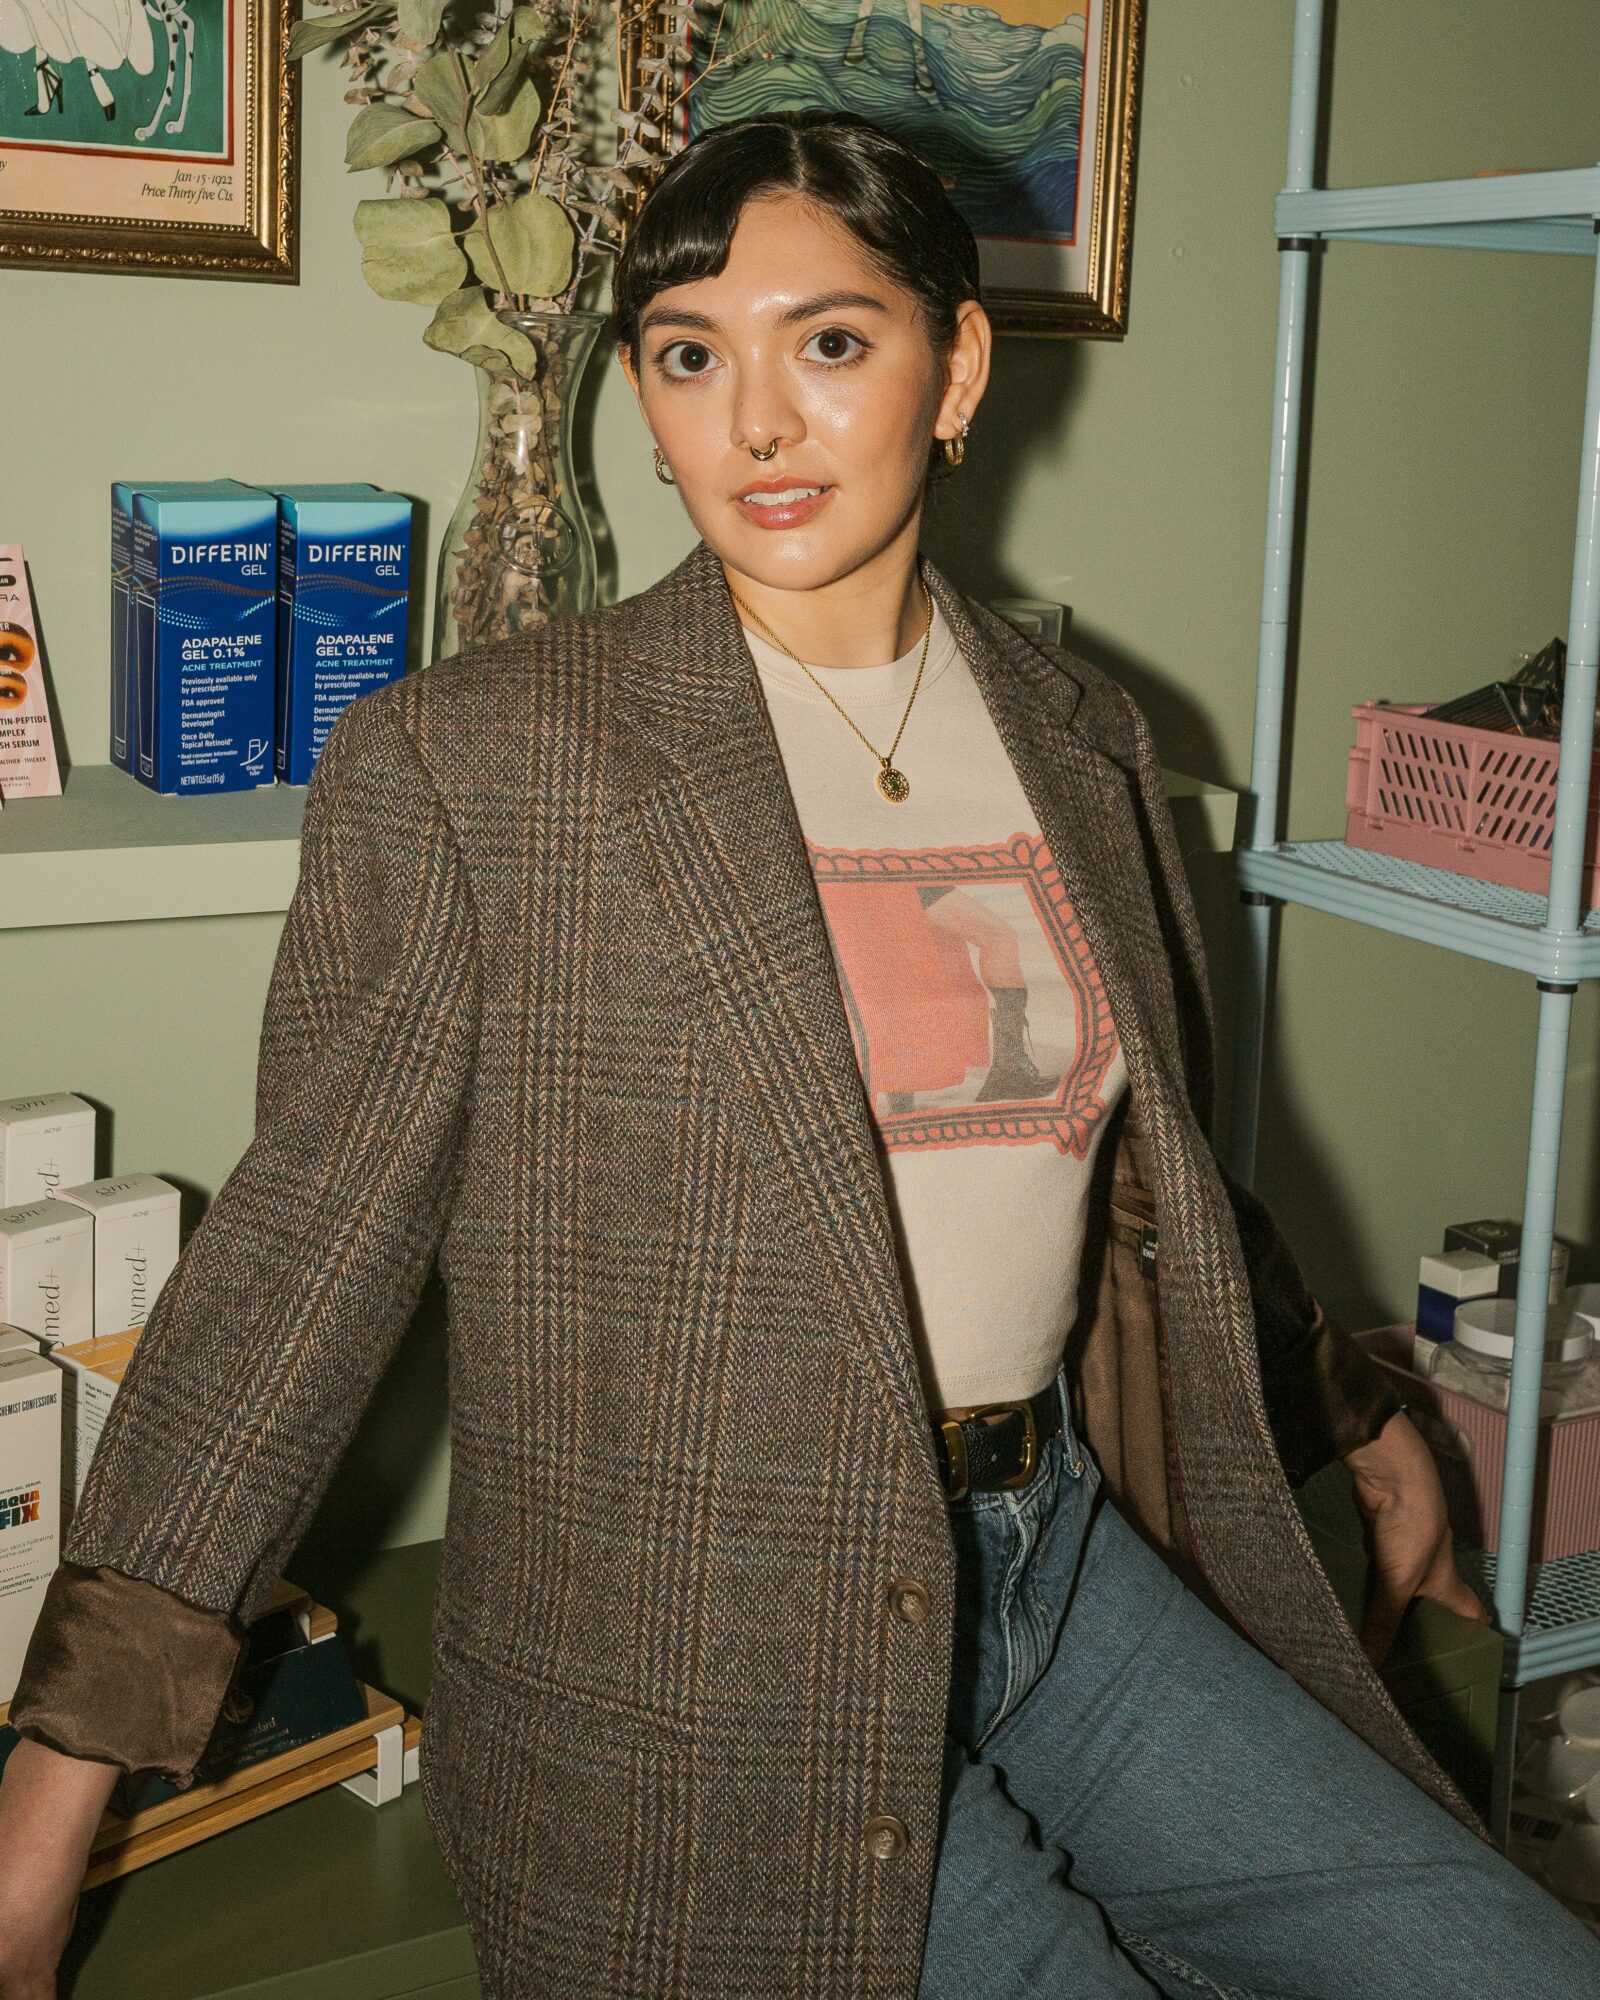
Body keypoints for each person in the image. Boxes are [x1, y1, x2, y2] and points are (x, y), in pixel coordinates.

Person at [2, 107, 1597, 1999]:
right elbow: (292, 1277)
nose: (755, 422)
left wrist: (1353, 1405)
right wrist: (45, 1817)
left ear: (958, 366)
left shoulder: (1082, 731)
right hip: (702, 1670)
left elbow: (1127, 1173)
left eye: (829, 342)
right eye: (692, 356)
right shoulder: (482, 766)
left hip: (1059, 1573)